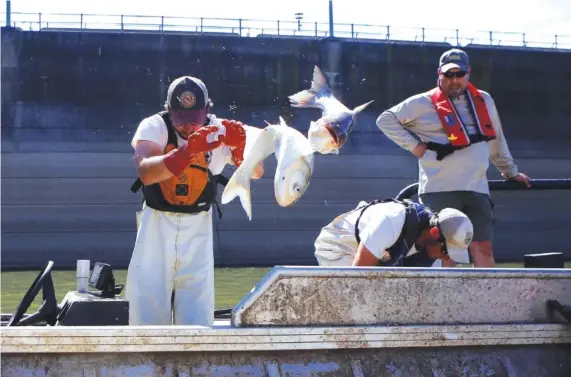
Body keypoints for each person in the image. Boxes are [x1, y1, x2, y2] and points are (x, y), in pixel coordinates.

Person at [126, 75, 263, 326]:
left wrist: (241, 149)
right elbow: (145, 172)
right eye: (182, 120)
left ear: (207, 110)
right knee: (146, 304)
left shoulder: (220, 128)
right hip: (156, 222)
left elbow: (256, 172)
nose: (188, 127)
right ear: (169, 110)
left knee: (197, 312)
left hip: (199, 224)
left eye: (194, 121)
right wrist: (187, 151)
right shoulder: (154, 126)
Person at [376, 48, 530, 268]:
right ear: (439, 73)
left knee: (483, 248)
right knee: (444, 252)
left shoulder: (484, 100)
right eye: (449, 75)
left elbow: (497, 140)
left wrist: (510, 172)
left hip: (477, 189)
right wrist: (415, 146)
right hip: (439, 190)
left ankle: (488, 299)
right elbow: (385, 120)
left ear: (469, 73)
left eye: (460, 74)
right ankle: (444, 301)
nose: (455, 80)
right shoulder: (422, 102)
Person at [314, 198, 474, 267]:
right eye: (446, 251)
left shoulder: (434, 251)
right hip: (337, 248)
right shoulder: (391, 222)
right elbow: (358, 278)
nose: (447, 258)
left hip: (372, 256)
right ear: (434, 233)